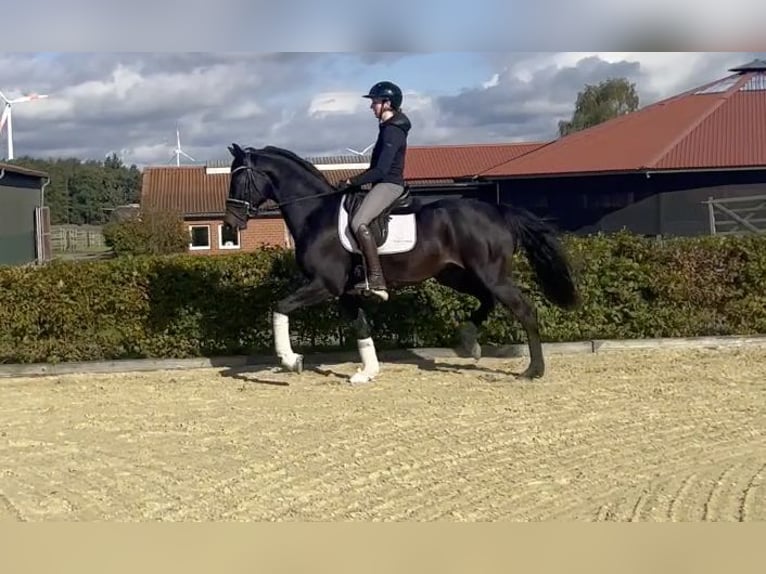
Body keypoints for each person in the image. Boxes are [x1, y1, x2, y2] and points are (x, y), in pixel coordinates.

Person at [338, 80, 411, 302]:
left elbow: (380, 171)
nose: (372, 107)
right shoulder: (387, 128)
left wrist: (352, 180)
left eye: (375, 102)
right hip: (381, 182)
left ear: (387, 104)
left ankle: (377, 279)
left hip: (389, 184)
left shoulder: (393, 131)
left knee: (358, 222)